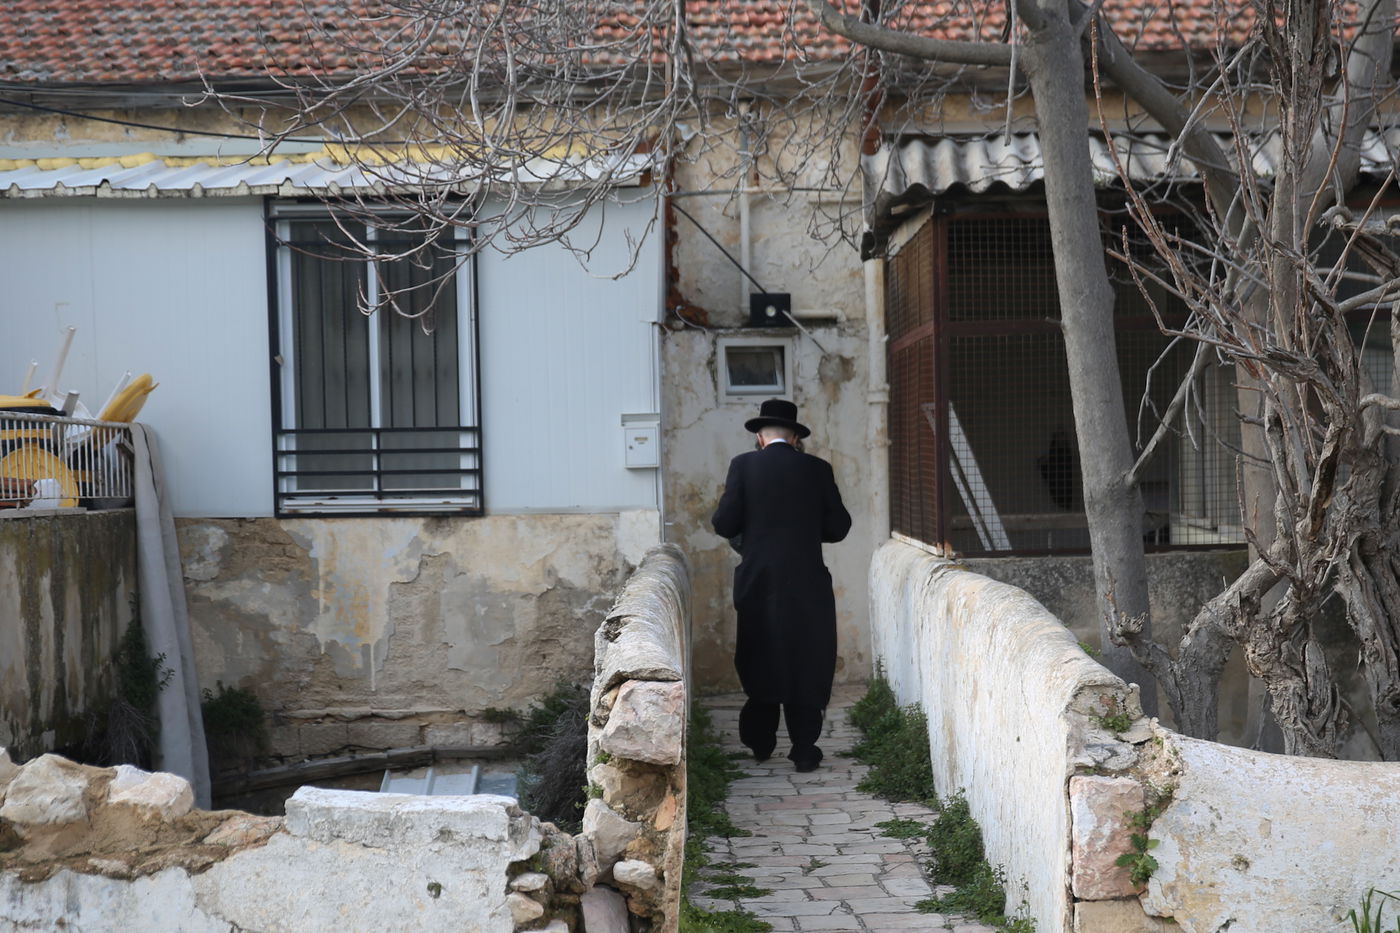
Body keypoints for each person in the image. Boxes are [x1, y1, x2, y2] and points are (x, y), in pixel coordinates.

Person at [711, 398, 851, 772]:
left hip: (759, 580)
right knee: (808, 655)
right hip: (807, 581)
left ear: (760, 436)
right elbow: (839, 527)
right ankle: (804, 748)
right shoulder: (818, 469)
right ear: (794, 437)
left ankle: (760, 740)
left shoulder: (743, 466)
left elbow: (724, 524)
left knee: (760, 651)